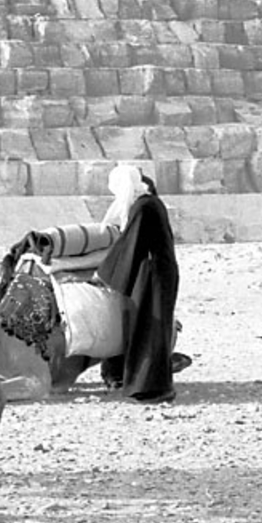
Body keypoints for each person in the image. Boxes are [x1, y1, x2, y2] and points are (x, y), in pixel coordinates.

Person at [94, 166, 180, 403]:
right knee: (149, 327)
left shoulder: (143, 207)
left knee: (148, 327)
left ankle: (150, 388)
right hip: (156, 273)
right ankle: (147, 383)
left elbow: (130, 245)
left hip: (152, 275)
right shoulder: (150, 203)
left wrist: (103, 275)